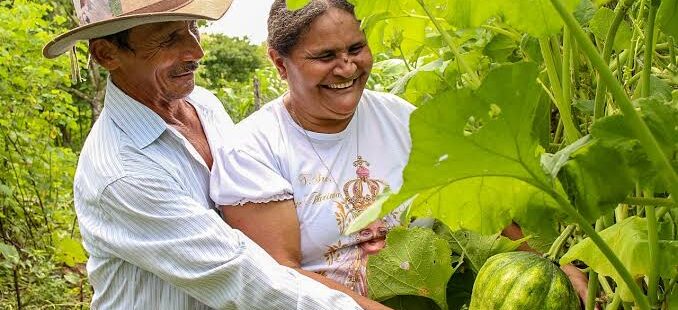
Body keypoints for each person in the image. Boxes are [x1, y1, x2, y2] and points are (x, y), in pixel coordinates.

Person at [43, 0, 364, 309]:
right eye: (169, 38)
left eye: (193, 28)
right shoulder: (121, 172)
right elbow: (241, 276)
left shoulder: (204, 104)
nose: (196, 51)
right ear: (107, 54)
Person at [209, 1, 409, 309]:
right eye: (325, 56)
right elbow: (280, 277)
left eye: (356, 49)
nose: (346, 67)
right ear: (279, 63)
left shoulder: (403, 119)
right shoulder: (252, 151)